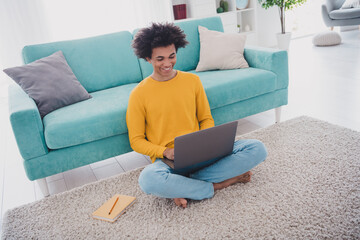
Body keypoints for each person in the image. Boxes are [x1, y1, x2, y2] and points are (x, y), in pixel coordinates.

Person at [126, 22, 267, 208]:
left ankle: (182, 187)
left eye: (172, 56)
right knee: (148, 179)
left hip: (202, 153)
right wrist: (165, 151)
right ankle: (219, 184)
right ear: (147, 58)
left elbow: (205, 118)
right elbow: (136, 140)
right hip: (169, 162)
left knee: (257, 148)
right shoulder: (139, 94)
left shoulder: (192, 81)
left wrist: (206, 141)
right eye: (160, 59)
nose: (167, 63)